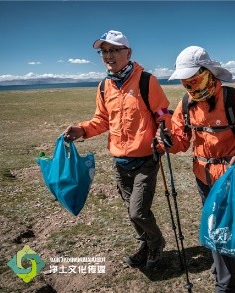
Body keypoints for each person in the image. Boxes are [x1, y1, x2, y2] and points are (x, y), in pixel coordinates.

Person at [157, 46, 235, 293]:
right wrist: (167, 142)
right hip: (201, 175)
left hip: (231, 174)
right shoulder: (185, 105)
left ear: (207, 73)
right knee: (216, 220)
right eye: (185, 81)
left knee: (219, 224)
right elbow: (181, 142)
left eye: (193, 78)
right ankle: (221, 260)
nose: (189, 85)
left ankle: (224, 285)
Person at [63, 30, 171, 269]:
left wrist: (162, 136)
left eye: (114, 50)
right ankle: (145, 245)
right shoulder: (104, 86)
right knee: (131, 210)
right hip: (120, 162)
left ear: (128, 52)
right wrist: (81, 129)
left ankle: (156, 244)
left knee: (138, 212)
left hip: (146, 160)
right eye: (104, 51)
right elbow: (102, 119)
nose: (108, 55)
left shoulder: (146, 81)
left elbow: (162, 113)